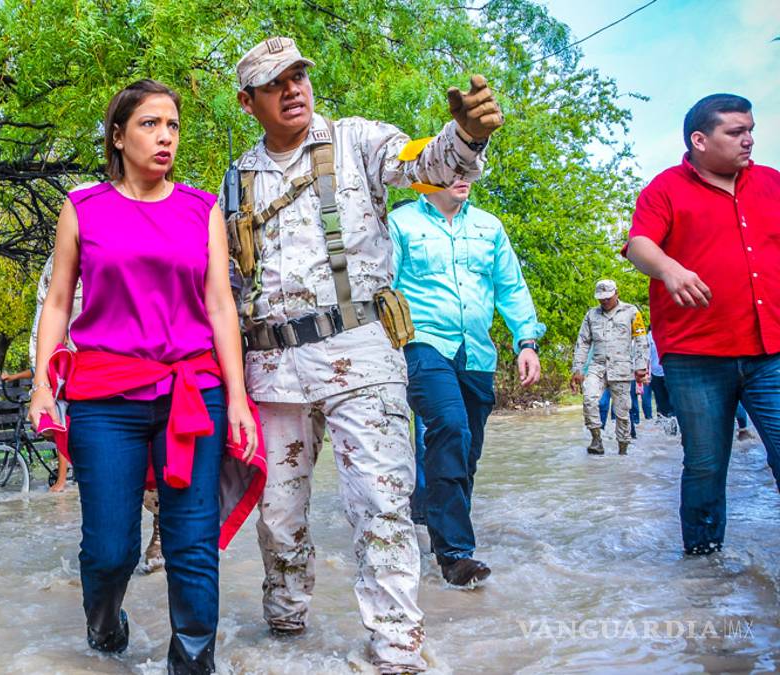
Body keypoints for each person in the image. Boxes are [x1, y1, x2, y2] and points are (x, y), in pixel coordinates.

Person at [223, 36, 499, 671]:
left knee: (381, 503)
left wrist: (466, 136)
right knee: (278, 516)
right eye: (274, 84)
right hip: (273, 370)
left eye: (298, 76)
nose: (292, 90)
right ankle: (285, 633)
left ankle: (397, 650)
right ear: (248, 102)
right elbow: (229, 284)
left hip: (361, 357)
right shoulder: (237, 177)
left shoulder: (359, 139)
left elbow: (424, 163)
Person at [28, 79, 259, 673]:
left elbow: (220, 307)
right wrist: (42, 386)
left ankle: (193, 662)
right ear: (117, 136)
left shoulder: (202, 209)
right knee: (111, 550)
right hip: (105, 397)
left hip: (193, 393)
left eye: (172, 126)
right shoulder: (82, 208)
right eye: (150, 124)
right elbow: (58, 303)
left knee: (191, 541)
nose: (165, 137)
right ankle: (104, 626)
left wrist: (236, 397)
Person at [624, 93, 779, 555]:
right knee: (706, 465)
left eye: (750, 130)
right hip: (696, 356)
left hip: (771, 352)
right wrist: (669, 269)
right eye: (736, 131)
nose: (748, 140)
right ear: (700, 139)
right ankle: (703, 570)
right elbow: (639, 245)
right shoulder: (665, 188)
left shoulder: (771, 183)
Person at [389, 180, 544, 586]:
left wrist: (526, 342)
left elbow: (511, 287)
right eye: (455, 165)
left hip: (476, 351)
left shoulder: (489, 227)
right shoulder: (401, 223)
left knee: (467, 451)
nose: (465, 175)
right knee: (450, 427)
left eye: (471, 167)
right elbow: (380, 288)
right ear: (429, 173)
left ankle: (436, 519)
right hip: (422, 344)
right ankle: (455, 555)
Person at [25, 253, 165, 572]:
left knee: (154, 471)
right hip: (84, 385)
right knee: (106, 486)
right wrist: (41, 384)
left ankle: (159, 527)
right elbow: (46, 315)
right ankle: (111, 555)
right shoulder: (59, 262)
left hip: (143, 373)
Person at [570, 280, 648, 455]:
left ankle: (623, 451)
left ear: (616, 293)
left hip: (622, 367)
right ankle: (596, 440)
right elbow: (582, 342)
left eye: (608, 297)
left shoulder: (631, 312)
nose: (604, 301)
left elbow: (641, 340)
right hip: (597, 367)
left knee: (622, 412)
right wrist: (578, 369)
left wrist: (641, 367)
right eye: (601, 298)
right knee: (589, 399)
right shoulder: (591, 315)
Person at [646, 327, 674, 419]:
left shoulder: (669, 332)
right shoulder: (649, 336)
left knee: (673, 399)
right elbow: (647, 356)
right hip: (656, 373)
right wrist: (647, 373)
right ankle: (664, 419)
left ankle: (674, 419)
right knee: (660, 399)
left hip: (670, 371)